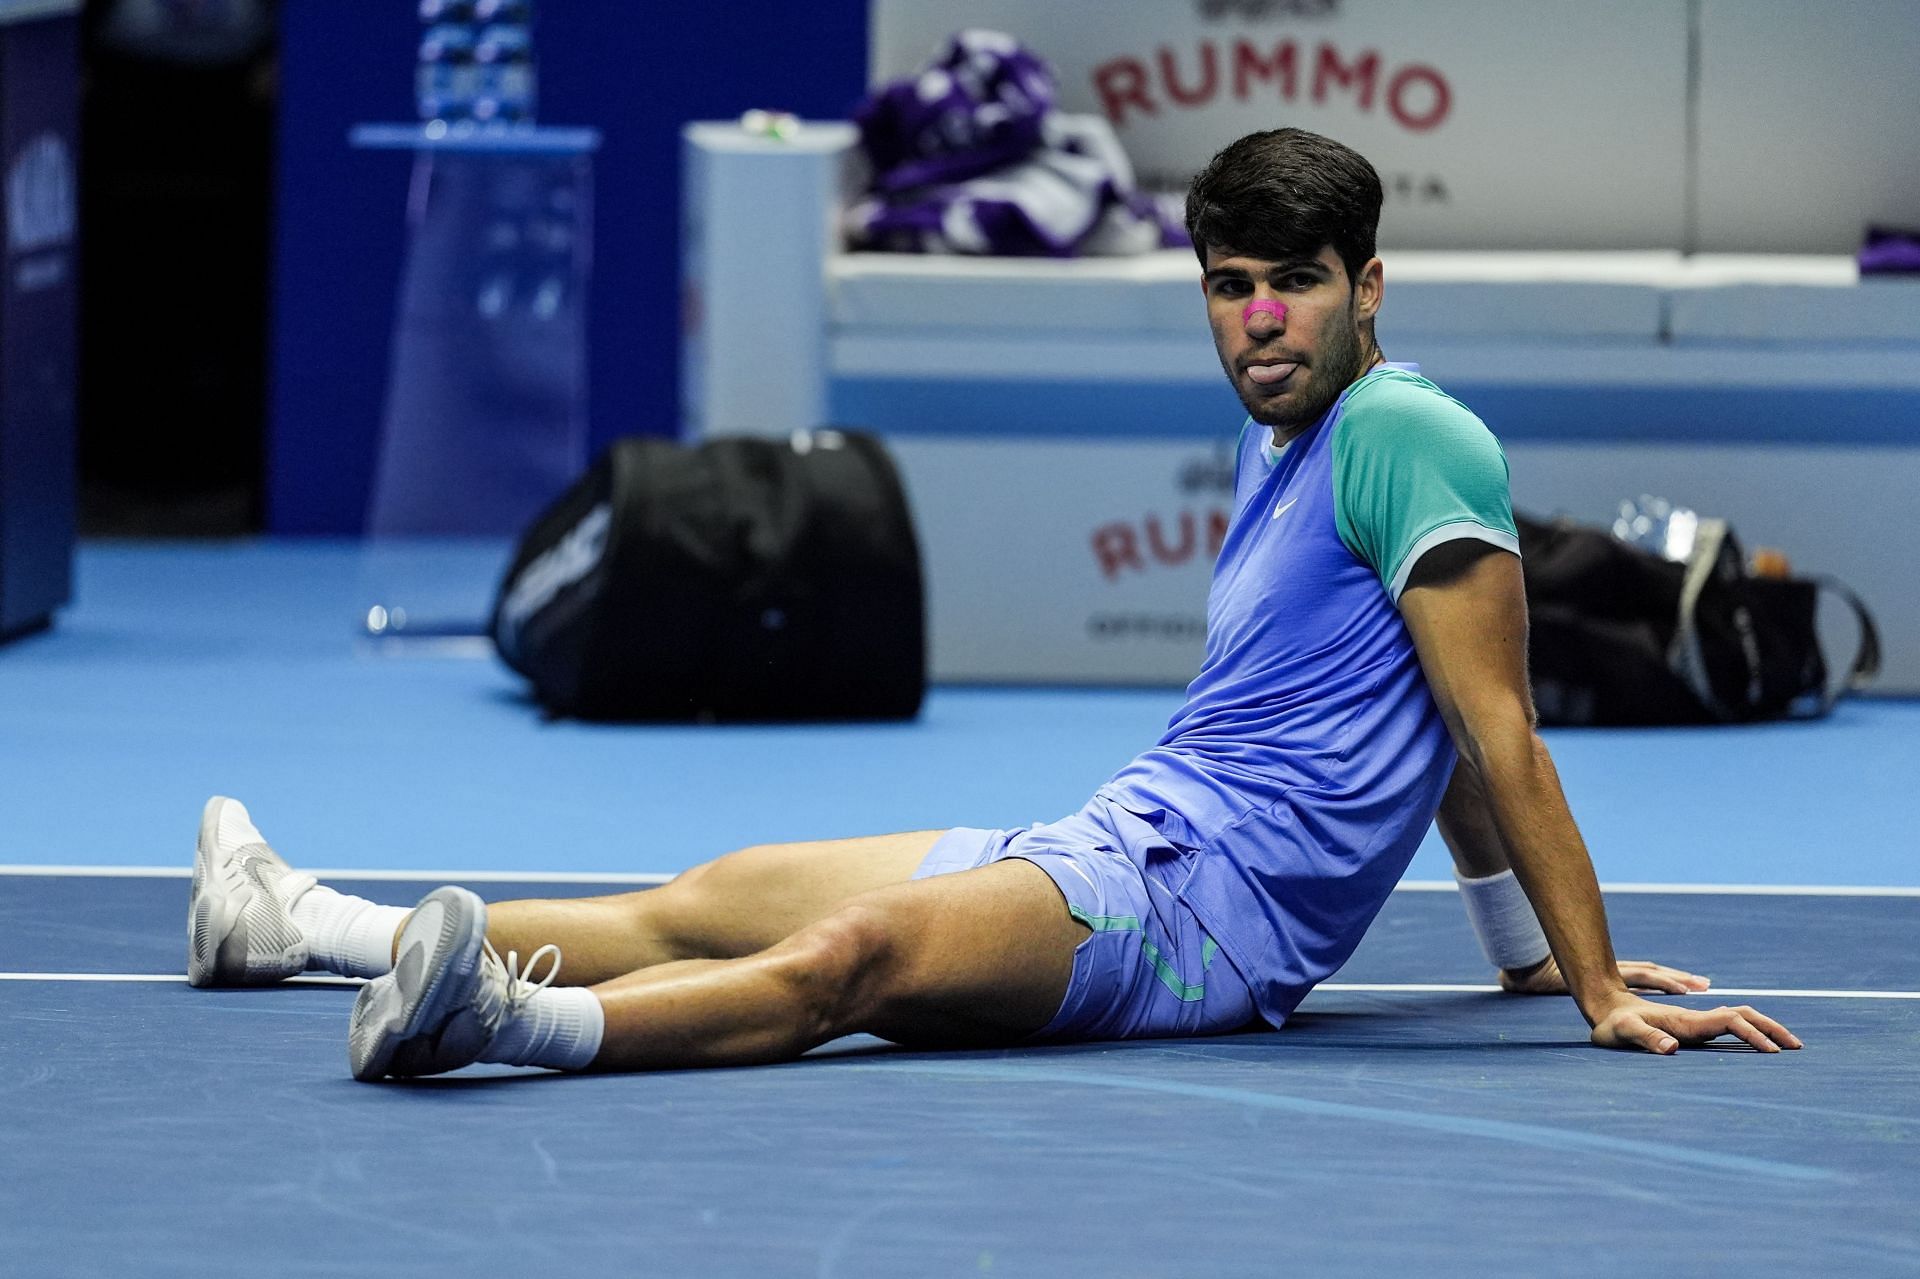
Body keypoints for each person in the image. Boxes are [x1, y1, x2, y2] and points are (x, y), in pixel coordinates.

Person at [186, 128, 1799, 1080]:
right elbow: (1426, 731)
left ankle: (501, 1031)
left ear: (1367, 286)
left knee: (858, 957)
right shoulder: (1290, 430)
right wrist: (1517, 956)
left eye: (1294, 281)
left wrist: (1583, 980)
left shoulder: (1404, 433)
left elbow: (1493, 725)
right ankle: (300, 925)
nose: (1258, 318)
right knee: (714, 890)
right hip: (1126, 838)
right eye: (1229, 284)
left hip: (1201, 929)